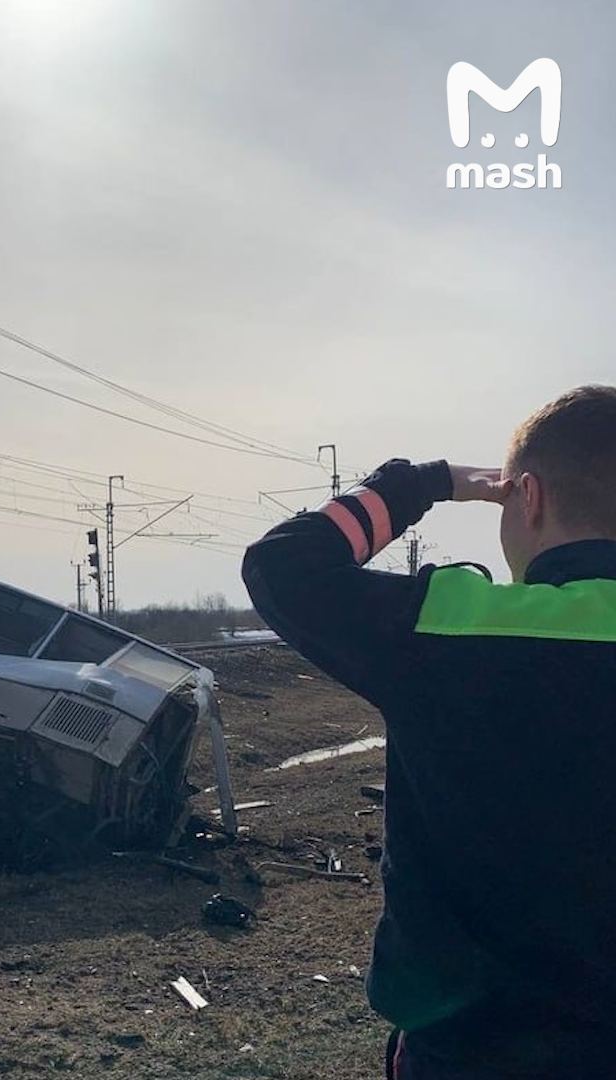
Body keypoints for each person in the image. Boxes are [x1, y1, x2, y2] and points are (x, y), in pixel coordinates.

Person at [242, 385, 616, 1079]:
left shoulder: (451, 626)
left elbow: (283, 563)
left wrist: (421, 484)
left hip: (470, 1053)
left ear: (527, 498)